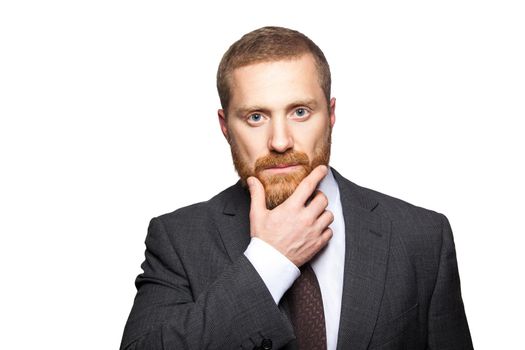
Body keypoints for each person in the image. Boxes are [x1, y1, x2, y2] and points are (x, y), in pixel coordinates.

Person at [120, 26, 473, 350]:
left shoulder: (422, 236)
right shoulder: (179, 239)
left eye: (300, 112)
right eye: (256, 117)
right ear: (225, 126)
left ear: (330, 114)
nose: (280, 141)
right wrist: (269, 261)